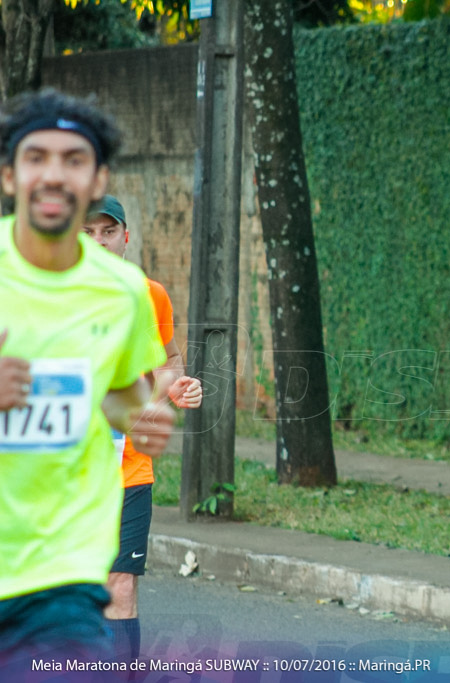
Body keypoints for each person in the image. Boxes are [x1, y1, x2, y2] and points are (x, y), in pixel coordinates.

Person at [0, 89, 174, 672]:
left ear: (97, 178)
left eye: (73, 159)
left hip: (65, 568)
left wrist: (143, 413)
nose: (54, 173)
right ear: (8, 174)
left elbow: (126, 393)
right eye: (36, 157)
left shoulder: (124, 292)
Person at [82, 194, 203, 664]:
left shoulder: (151, 295)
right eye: (86, 233)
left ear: (126, 237)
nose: (99, 242)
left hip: (128, 470)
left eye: (108, 232)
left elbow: (170, 362)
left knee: (120, 585)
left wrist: (174, 390)